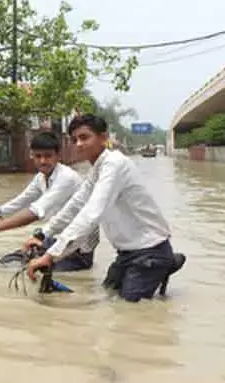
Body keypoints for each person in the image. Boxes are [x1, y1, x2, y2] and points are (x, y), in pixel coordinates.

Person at [26, 114, 185, 302]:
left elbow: (92, 212)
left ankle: (164, 263)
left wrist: (52, 254)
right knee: (108, 295)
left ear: (103, 138)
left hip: (149, 251)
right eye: (74, 139)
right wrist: (43, 234)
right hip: (126, 253)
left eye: (84, 137)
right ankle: (166, 264)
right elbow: (76, 204)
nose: (78, 144)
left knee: (128, 310)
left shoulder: (114, 164)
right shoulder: (97, 169)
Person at [0, 131, 98, 272]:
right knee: (9, 260)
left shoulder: (66, 178)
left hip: (78, 246)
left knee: (30, 270)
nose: (43, 161)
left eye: (48, 156)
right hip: (54, 237)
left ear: (58, 156)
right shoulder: (41, 178)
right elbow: (19, 202)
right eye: (38, 156)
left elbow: (35, 212)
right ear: (32, 156)